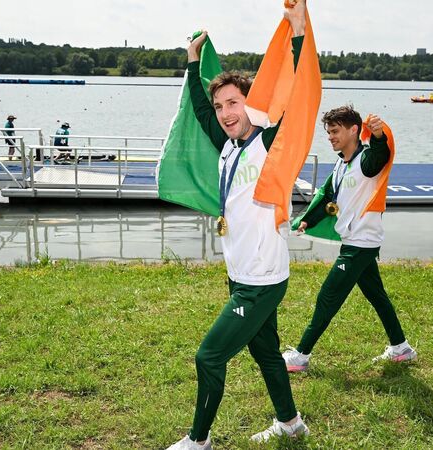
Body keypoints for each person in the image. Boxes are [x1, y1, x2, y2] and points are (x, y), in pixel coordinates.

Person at [166, 2, 310, 449]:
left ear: (252, 103)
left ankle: (198, 441)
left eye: (234, 102)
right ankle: (291, 423)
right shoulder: (228, 145)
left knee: (209, 356)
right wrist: (192, 61)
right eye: (221, 105)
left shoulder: (268, 142)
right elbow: (199, 109)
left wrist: (299, 33)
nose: (225, 112)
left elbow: (297, 94)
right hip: (241, 274)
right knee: (266, 352)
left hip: (261, 280)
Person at [282, 105, 417, 374]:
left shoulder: (366, 160)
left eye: (335, 131)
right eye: (328, 132)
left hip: (360, 243)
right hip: (355, 241)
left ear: (354, 130)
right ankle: (402, 349)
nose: (330, 137)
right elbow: (328, 195)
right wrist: (309, 220)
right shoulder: (342, 162)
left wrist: (378, 136)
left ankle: (300, 356)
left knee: (328, 296)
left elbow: (380, 154)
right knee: (377, 296)